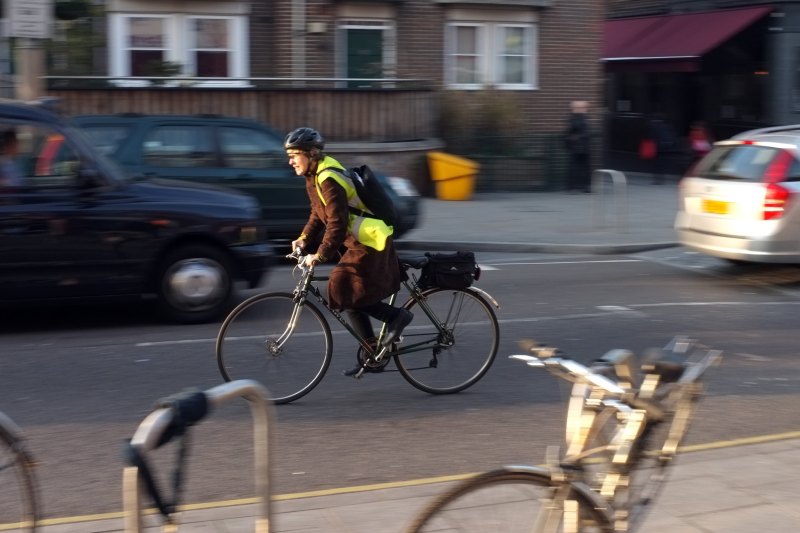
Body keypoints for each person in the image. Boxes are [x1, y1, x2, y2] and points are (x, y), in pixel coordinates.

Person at [284, 126, 413, 375]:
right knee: (351, 298)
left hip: (371, 240)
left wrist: (320, 254)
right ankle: (372, 354)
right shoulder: (314, 176)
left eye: (294, 155)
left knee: (342, 285)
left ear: (311, 154)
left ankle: (398, 318)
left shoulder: (328, 178)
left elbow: (336, 222)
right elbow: (317, 214)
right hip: (355, 240)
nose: (290, 161)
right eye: (289, 156)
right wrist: (302, 239)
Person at [563, 100, 591, 193]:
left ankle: (581, 186)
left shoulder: (580, 118)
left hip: (581, 147)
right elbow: (573, 132)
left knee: (582, 167)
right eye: (583, 107)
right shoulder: (576, 119)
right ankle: (575, 186)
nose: (585, 109)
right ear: (577, 108)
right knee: (577, 166)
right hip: (578, 147)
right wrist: (579, 137)